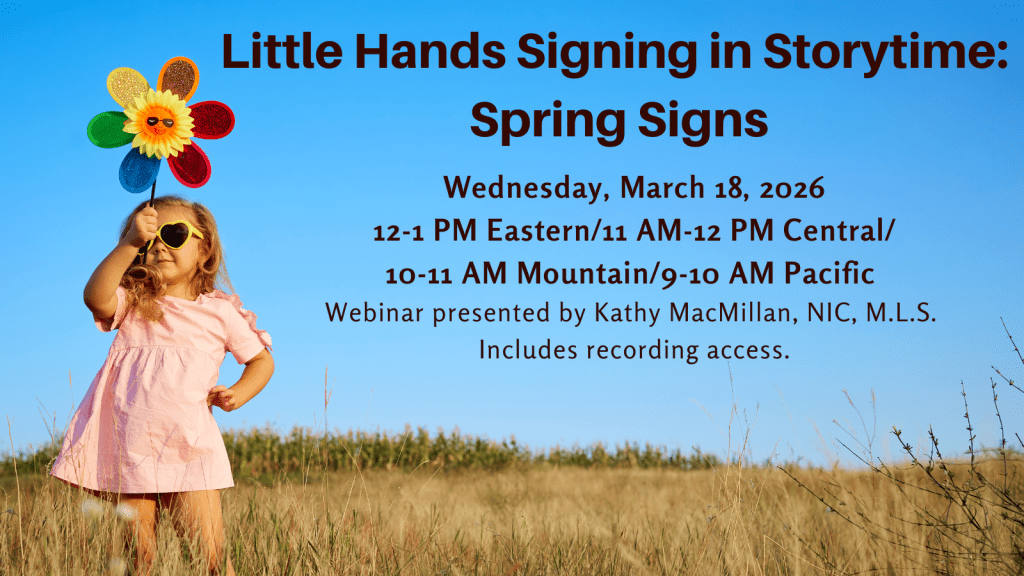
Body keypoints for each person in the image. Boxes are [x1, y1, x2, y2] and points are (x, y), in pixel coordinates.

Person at [50, 195, 274, 575]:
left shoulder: (220, 311)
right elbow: (95, 298)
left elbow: (260, 360)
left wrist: (239, 392)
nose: (159, 246)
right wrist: (128, 243)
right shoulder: (135, 303)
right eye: (150, 240)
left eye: (173, 234)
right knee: (139, 560)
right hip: (127, 448)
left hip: (190, 447)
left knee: (211, 560)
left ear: (204, 249)